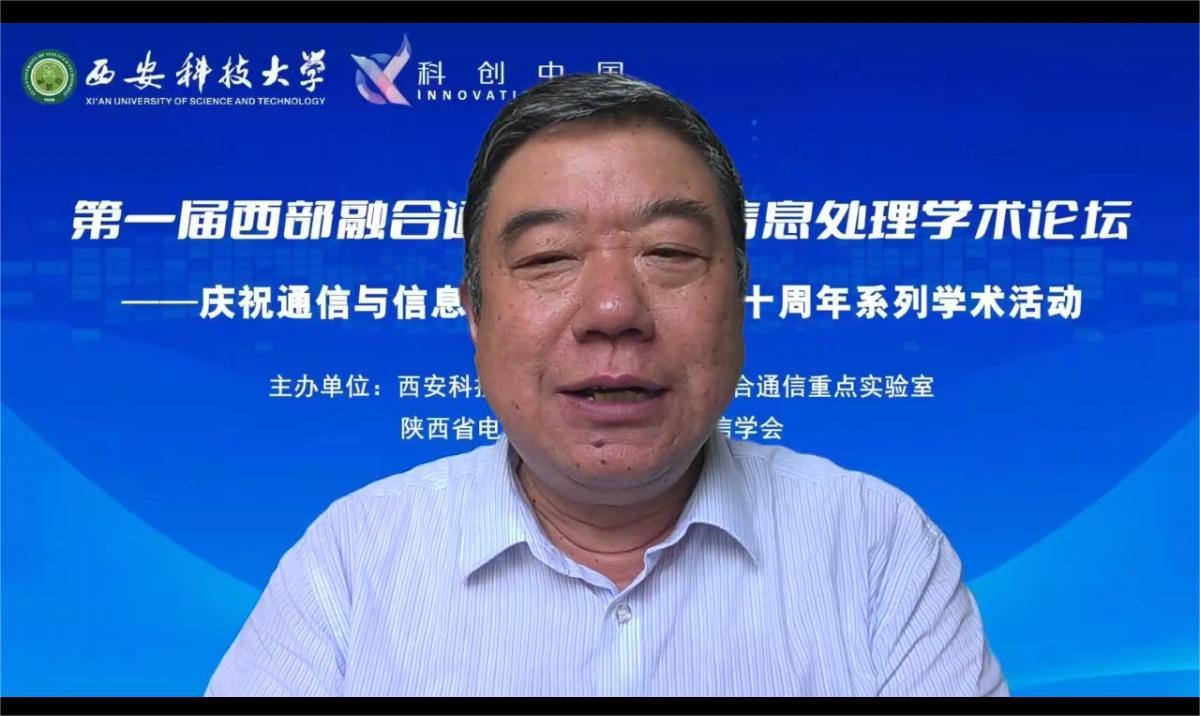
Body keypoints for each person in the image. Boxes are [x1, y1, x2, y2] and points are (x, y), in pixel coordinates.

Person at [206, 73, 1007, 697]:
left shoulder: (872, 546)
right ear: (475, 314)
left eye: (670, 253)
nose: (614, 310)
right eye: (548, 259)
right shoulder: (356, 561)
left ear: (740, 295)